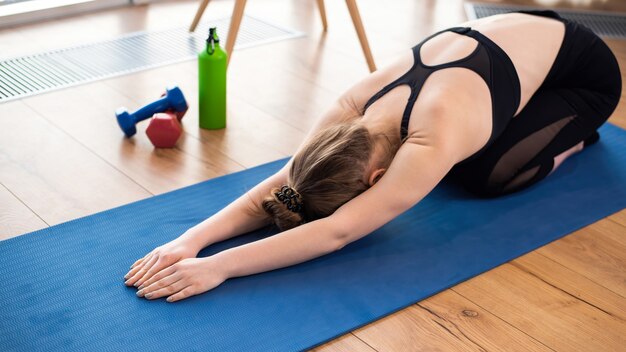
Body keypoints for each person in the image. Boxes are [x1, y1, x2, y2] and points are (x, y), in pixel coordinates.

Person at [123, 10, 621, 302]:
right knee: (455, 163)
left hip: (584, 74)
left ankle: (574, 139)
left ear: (378, 175)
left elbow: (337, 232)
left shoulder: (435, 130)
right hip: (515, 48)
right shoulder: (350, 108)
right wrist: (190, 241)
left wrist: (221, 267)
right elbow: (285, 182)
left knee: (484, 177)